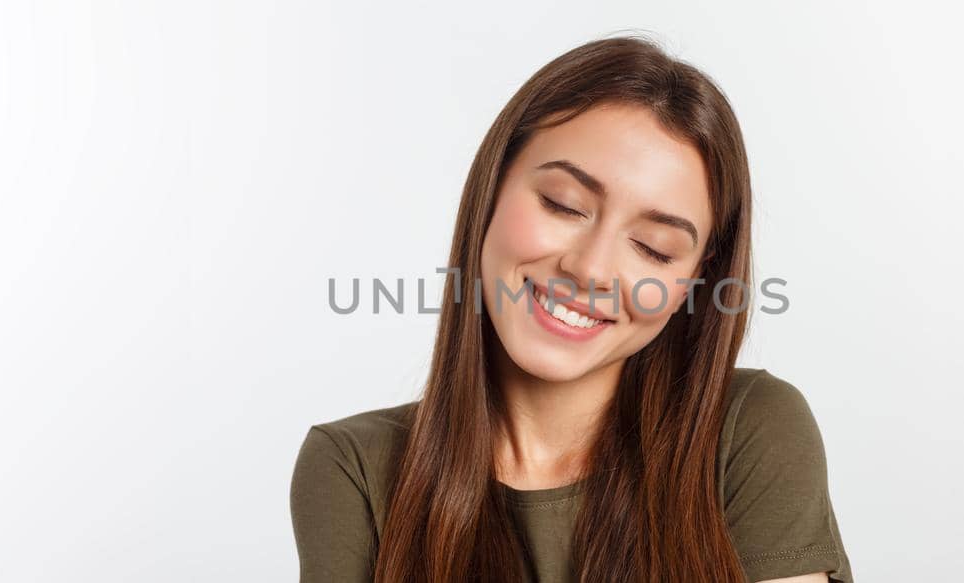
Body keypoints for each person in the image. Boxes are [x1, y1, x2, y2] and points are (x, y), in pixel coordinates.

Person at [292, 35, 852, 583]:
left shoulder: (749, 431)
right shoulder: (353, 470)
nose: (590, 270)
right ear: (492, 188)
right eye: (563, 205)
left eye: (654, 248)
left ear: (693, 282)